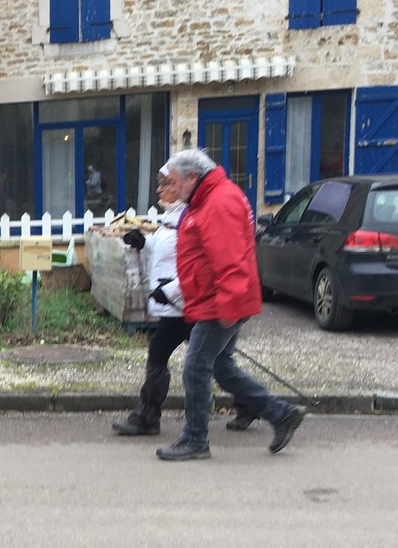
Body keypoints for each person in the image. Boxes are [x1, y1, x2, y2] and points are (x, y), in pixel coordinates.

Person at [155, 149, 305, 461]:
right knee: (221, 367)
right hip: (221, 299)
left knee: (195, 367)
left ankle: (195, 439)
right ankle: (281, 414)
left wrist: (227, 309)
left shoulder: (217, 203)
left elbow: (231, 261)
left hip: (221, 302)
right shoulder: (208, 198)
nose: (172, 189)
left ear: (192, 177)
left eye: (175, 182)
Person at [112, 166, 257, 436]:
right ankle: (249, 403)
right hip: (177, 302)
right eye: (160, 183)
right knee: (216, 363)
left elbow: (200, 263)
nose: (159, 189)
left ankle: (148, 417)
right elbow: (167, 246)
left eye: (166, 184)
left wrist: (170, 291)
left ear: (181, 184)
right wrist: (143, 242)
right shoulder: (174, 215)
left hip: (182, 304)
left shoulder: (191, 216)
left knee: (160, 354)